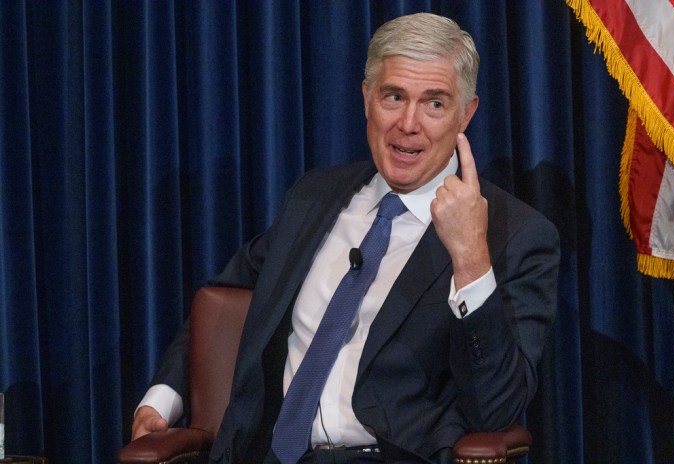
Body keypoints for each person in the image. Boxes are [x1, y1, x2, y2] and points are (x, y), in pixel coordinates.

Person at [131, 12, 559, 464]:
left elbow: (496, 408)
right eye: (394, 97)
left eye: (434, 103)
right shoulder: (314, 198)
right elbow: (222, 296)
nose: (408, 124)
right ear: (366, 98)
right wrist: (163, 397)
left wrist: (470, 257)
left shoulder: (516, 237)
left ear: (465, 114)